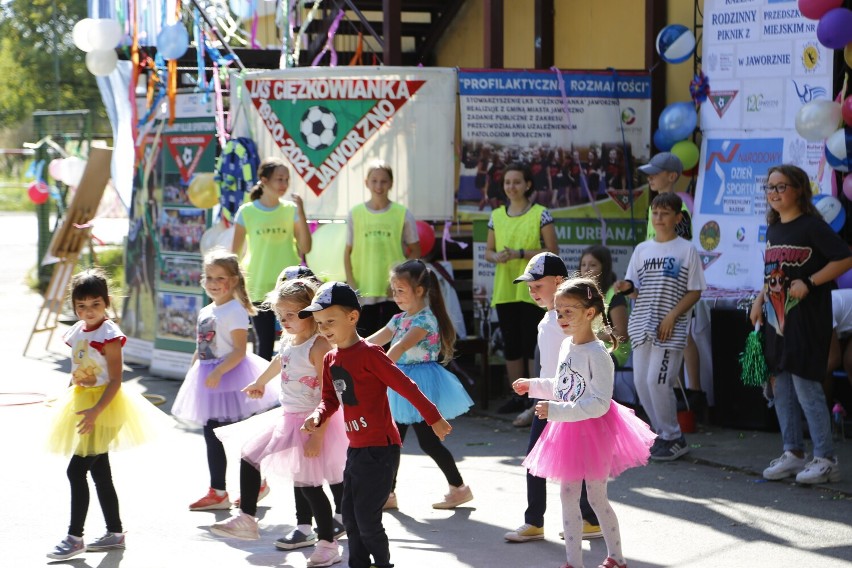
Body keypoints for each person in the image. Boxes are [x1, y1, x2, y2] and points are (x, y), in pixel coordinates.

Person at [301, 282, 453, 568]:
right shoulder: (331, 359)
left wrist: (434, 418)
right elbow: (329, 399)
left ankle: (382, 564)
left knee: (367, 519)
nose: (324, 328)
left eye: (330, 321)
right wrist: (318, 415)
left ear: (353, 317)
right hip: (355, 449)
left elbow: (405, 385)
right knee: (350, 516)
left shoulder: (370, 354)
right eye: (319, 323)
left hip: (381, 449)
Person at [515, 277, 655, 568]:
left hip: (593, 432)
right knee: (567, 496)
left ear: (589, 313)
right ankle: (573, 562)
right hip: (567, 431)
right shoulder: (567, 346)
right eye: (558, 311)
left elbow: (600, 403)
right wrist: (533, 385)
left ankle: (616, 557)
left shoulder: (598, 354)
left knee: (596, 497)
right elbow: (564, 385)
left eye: (569, 311)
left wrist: (555, 411)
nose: (561, 318)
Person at [211, 279, 348, 567]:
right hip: (288, 416)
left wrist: (319, 434)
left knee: (310, 487)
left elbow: (331, 394)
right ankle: (247, 518)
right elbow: (280, 360)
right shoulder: (289, 339)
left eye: (292, 314)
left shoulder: (319, 345)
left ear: (310, 312)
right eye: (280, 316)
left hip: (312, 422)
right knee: (250, 455)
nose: (285, 321)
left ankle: (327, 543)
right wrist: (260, 381)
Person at [46, 269, 169, 560]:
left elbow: (115, 380)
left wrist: (96, 411)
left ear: (107, 302)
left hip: (106, 407)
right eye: (81, 306)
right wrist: (67, 397)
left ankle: (75, 537)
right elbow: (77, 371)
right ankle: (115, 533)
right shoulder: (77, 330)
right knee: (100, 472)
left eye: (95, 305)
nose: (88, 312)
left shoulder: (109, 335)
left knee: (76, 470)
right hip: (84, 404)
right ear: (74, 306)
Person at [749, 164, 852, 484]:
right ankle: (793, 453)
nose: (775, 193)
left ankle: (826, 458)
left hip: (807, 320)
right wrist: (758, 299)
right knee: (782, 387)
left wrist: (809, 281)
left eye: (782, 187)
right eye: (770, 187)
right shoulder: (774, 229)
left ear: (798, 190)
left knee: (807, 386)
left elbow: (845, 258)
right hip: (778, 321)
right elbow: (773, 274)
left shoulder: (812, 227)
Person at [503, 253, 603, 544]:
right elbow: (550, 367)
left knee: (571, 463)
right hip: (550, 400)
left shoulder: (562, 321)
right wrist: (535, 388)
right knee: (538, 460)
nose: (532, 291)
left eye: (537, 285)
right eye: (529, 287)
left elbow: (579, 363)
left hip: (565, 404)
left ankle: (586, 519)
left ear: (559, 281)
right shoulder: (549, 320)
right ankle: (538, 521)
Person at [171, 249, 280, 510]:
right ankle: (218, 490)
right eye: (208, 277)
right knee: (212, 434)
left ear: (232, 281)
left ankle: (255, 483)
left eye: (219, 278)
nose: (212, 283)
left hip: (232, 377)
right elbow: (204, 345)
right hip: (209, 377)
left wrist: (220, 372)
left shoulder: (234, 311)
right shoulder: (207, 310)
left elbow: (241, 350)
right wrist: (194, 366)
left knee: (236, 435)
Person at [367, 260, 474, 511]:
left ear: (420, 290)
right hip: (400, 381)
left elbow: (400, 346)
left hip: (421, 384)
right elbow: (375, 341)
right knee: (393, 440)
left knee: (429, 442)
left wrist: (375, 370)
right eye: (393, 291)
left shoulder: (426, 320)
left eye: (401, 290)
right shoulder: (399, 318)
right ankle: (389, 493)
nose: (396, 296)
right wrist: (350, 347)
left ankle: (459, 488)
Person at [614, 192, 706, 461]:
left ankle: (674, 436)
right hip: (642, 324)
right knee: (642, 383)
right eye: (655, 213)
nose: (659, 218)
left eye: (665, 213)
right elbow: (635, 289)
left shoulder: (686, 249)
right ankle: (662, 435)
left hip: (670, 329)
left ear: (678, 217)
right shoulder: (643, 249)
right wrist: (626, 287)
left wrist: (672, 316)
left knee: (658, 381)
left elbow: (695, 291)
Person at [485, 163, 558, 417]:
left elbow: (552, 251)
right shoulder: (496, 215)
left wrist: (520, 254)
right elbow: (488, 252)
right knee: (511, 345)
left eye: (517, 182)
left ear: (528, 184)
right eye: (507, 182)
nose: (511, 187)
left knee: (531, 345)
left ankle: (534, 398)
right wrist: (498, 257)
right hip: (505, 289)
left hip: (534, 289)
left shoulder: (541, 213)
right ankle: (518, 398)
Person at [232, 157, 311, 360]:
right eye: (279, 179)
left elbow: (305, 247)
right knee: (264, 345)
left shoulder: (291, 210)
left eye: (286, 179)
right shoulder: (246, 212)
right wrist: (236, 287)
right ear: (264, 180)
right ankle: (263, 390)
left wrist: (301, 212)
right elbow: (235, 255)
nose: (284, 184)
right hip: (258, 286)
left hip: (289, 286)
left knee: (297, 341)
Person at [638, 152, 702, 397]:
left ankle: (693, 394)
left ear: (672, 176)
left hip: (673, 284)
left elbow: (681, 249)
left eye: (655, 173)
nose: (650, 178)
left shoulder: (679, 210)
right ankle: (676, 391)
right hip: (655, 283)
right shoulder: (656, 207)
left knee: (681, 336)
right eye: (648, 174)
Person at [344, 160, 421, 337]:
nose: (379, 185)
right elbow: (347, 252)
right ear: (366, 182)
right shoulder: (355, 213)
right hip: (364, 290)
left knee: (391, 344)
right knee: (365, 342)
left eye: (384, 181)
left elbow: (416, 251)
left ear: (391, 183)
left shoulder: (402, 213)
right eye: (374, 180)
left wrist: (401, 281)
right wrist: (352, 285)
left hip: (392, 293)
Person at [579, 245, 630, 368]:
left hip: (614, 351)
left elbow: (622, 335)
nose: (586, 269)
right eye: (583, 264)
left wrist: (591, 336)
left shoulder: (615, 295)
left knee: (583, 363)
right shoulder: (580, 295)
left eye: (593, 265)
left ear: (604, 268)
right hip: (589, 348)